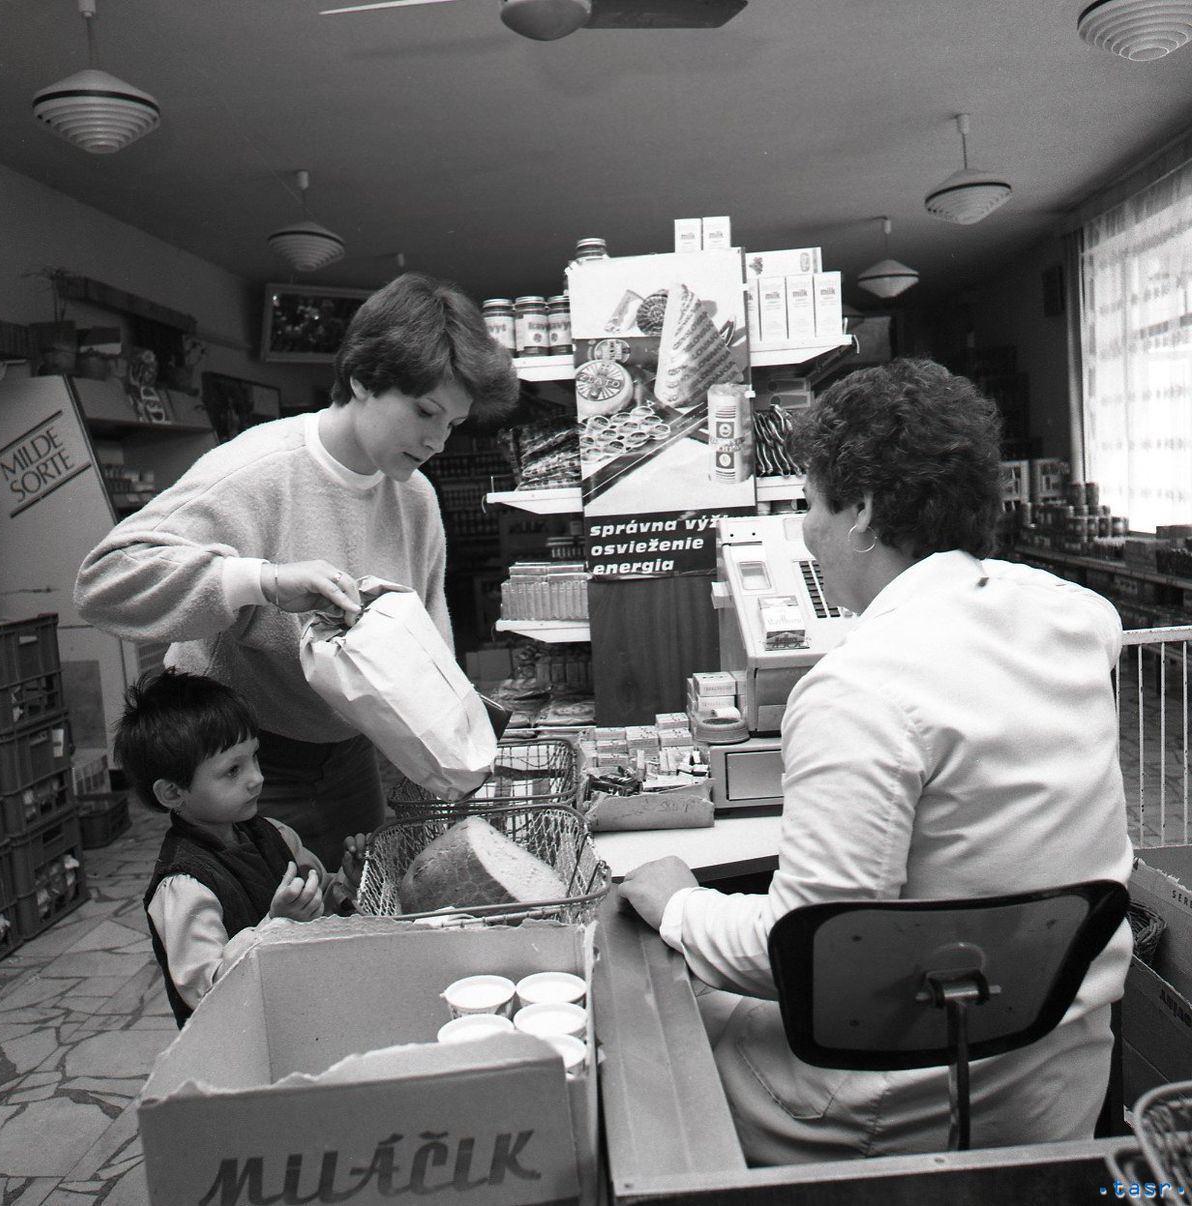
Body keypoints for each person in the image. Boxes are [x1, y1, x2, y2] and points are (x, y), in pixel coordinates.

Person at [619, 358, 1132, 1164]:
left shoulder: (857, 688)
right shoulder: (1081, 619)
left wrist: (678, 904)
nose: (805, 531)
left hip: (902, 1099)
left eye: (809, 504)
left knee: (660, 1021)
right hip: (1060, 1079)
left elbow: (809, 953)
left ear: (860, 510)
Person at [74, 272, 519, 869]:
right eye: (425, 411)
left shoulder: (415, 496)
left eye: (454, 424)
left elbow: (428, 631)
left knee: (361, 898)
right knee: (261, 914)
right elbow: (103, 582)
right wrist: (262, 580)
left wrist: (459, 742)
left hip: (351, 753)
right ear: (362, 378)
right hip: (237, 760)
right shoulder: (258, 470)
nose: (438, 439)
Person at [116, 669, 368, 1027]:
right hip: (240, 1040)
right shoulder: (184, 886)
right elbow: (208, 991)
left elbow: (318, 903)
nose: (257, 778)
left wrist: (347, 882)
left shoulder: (275, 834)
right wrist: (278, 924)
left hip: (294, 1016)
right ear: (172, 792)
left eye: (255, 757)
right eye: (233, 770)